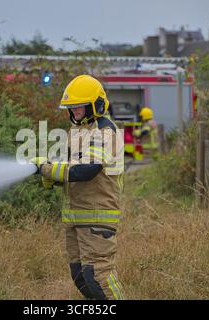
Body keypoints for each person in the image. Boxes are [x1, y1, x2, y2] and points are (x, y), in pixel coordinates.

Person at [31, 75, 126, 300]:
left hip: (96, 216)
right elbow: (71, 168)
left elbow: (86, 170)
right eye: (71, 107)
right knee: (80, 277)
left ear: (96, 105)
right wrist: (52, 174)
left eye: (79, 106)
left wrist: (46, 169)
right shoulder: (77, 132)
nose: (74, 111)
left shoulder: (105, 132)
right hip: (76, 217)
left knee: (99, 277)